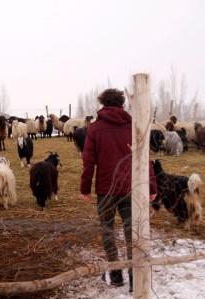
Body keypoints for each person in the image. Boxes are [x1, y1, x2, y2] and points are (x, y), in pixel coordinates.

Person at [79, 88, 157, 292]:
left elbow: (88, 162)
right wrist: (152, 186)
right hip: (131, 189)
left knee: (107, 231)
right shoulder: (133, 125)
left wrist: (85, 187)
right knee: (132, 233)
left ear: (102, 104)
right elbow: (145, 158)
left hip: (106, 190)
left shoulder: (95, 129)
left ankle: (115, 275)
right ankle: (134, 278)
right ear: (122, 104)